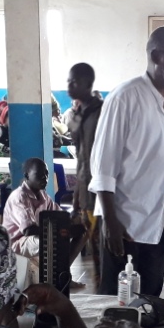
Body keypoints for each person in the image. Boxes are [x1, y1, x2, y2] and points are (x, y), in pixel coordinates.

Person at [89, 26, 164, 296]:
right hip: (125, 225)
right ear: (156, 56)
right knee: (116, 301)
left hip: (158, 224)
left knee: (150, 300)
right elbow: (103, 165)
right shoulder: (125, 98)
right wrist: (110, 221)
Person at [3, 157, 87, 269]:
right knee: (54, 237)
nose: (45, 178)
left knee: (82, 231)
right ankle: (55, 276)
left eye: (47, 174)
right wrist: (60, 230)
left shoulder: (43, 196)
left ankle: (63, 272)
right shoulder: (20, 197)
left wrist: (75, 219)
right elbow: (29, 230)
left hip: (34, 238)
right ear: (27, 176)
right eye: (39, 174)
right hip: (18, 243)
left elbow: (61, 216)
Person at [66, 63, 103, 223]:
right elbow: (81, 160)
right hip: (85, 194)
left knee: (102, 243)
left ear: (88, 84)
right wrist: (76, 201)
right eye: (68, 81)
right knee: (90, 245)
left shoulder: (102, 113)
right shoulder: (77, 115)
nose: (69, 86)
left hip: (101, 194)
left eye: (74, 82)